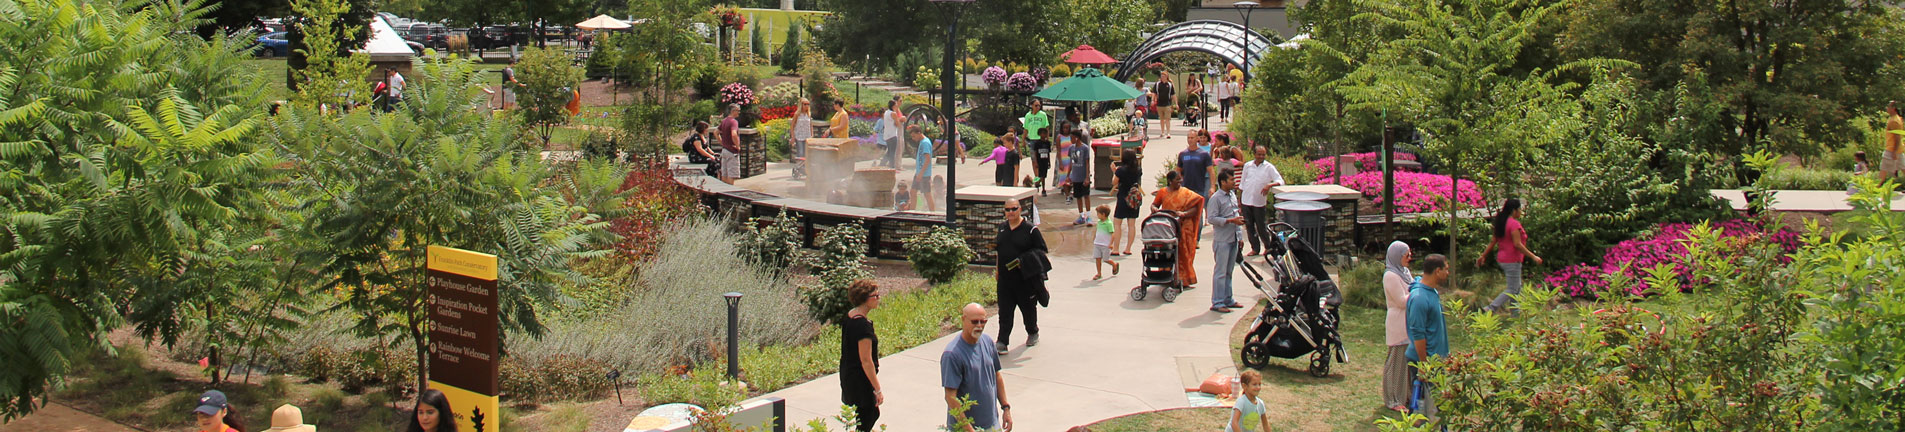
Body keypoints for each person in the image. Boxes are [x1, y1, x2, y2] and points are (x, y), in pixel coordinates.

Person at [942, 303, 1013, 432]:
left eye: (983, 321)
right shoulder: (952, 354)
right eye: (975, 322)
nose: (979, 326)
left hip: (992, 425)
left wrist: (1006, 408)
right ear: (963, 319)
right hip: (966, 429)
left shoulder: (988, 342)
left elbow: (997, 376)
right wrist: (969, 429)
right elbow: (950, 397)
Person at [995, 197, 1048, 353]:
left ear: (1020, 209)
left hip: (1025, 279)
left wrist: (1023, 261)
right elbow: (999, 251)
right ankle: (1002, 341)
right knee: (1004, 312)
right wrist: (998, 270)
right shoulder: (1002, 228)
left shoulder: (1031, 230)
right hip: (1005, 280)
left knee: (1028, 309)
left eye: (1014, 209)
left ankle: (1033, 331)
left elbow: (1041, 251)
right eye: (1007, 209)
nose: (1010, 212)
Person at [1406, 254, 1452, 422]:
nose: (1448, 272)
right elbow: (1418, 335)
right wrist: (1424, 365)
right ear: (1437, 271)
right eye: (1446, 269)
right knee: (1426, 413)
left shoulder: (1430, 290)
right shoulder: (1419, 298)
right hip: (1426, 361)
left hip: (1436, 359)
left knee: (1436, 408)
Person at [1479, 198, 1541, 313]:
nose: (1520, 212)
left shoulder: (1501, 223)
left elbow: (1493, 241)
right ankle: (1490, 308)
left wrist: (1483, 255)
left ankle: (1515, 314)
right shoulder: (1513, 224)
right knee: (1513, 289)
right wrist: (1533, 256)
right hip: (1512, 260)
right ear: (1514, 210)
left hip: (1503, 259)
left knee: (1516, 288)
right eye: (1519, 209)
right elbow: (1517, 244)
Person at [840, 279, 884, 431]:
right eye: (875, 296)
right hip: (860, 379)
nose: (878, 298)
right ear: (864, 299)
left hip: (849, 375)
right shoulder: (862, 326)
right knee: (869, 414)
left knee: (864, 416)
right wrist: (877, 389)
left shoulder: (851, 316)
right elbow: (866, 361)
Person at [1152, 171, 1205, 286]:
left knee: (1183, 253)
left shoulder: (1186, 193)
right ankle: (1166, 275)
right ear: (1170, 181)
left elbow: (1196, 208)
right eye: (1177, 179)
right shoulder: (1162, 192)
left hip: (1184, 227)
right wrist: (1154, 209)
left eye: (1180, 179)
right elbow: (1154, 204)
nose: (1180, 181)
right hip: (1168, 228)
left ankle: (1184, 279)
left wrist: (1183, 214)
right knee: (1167, 252)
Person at [1206, 170, 1245, 313]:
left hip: (1233, 238)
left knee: (1229, 271)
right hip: (1222, 240)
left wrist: (1239, 237)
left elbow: (1236, 214)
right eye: (1231, 180)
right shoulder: (1216, 198)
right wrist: (1229, 221)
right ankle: (1217, 302)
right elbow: (1212, 218)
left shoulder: (1232, 195)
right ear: (1223, 182)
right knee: (1220, 272)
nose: (1234, 182)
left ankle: (1228, 299)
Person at [1382, 241, 1414, 412]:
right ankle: (1393, 399)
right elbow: (1401, 301)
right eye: (1406, 255)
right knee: (1396, 362)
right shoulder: (1390, 276)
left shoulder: (1405, 273)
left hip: (1408, 323)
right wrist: (1417, 292)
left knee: (1407, 363)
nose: (1409, 258)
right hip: (1397, 323)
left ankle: (1405, 395)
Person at [1240, 145, 1284, 256]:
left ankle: (1268, 247)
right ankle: (1255, 248)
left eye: (1263, 154)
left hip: (1259, 202)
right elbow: (1242, 184)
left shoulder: (1269, 167)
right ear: (1254, 154)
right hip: (1246, 200)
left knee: (1261, 226)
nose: (1261, 156)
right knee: (1249, 226)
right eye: (1259, 154)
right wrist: (1240, 201)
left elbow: (1280, 180)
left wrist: (1269, 185)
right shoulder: (1247, 166)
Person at [1112, 151, 1143, 255]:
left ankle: (1116, 249)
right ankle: (1128, 248)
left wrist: (1114, 171)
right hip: (1134, 198)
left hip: (1123, 197)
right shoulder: (1138, 169)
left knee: (1117, 224)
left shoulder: (1121, 170)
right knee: (1131, 225)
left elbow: (1114, 182)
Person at [1023, 100, 1054, 195]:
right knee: (1034, 162)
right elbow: (1025, 128)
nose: (1038, 107)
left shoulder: (1043, 115)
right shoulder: (1028, 116)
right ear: (1031, 106)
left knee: (1042, 161)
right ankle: (1037, 179)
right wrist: (1023, 139)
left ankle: (1041, 178)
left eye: (1039, 105)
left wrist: (1047, 139)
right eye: (1036, 105)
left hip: (1041, 140)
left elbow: (1047, 127)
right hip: (1032, 140)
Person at [911, 125, 937, 211]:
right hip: (919, 173)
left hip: (923, 174)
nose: (913, 138)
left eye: (914, 136)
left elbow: (928, 159)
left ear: (919, 133)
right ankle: (911, 211)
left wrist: (921, 173)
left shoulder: (925, 143)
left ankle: (933, 212)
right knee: (913, 192)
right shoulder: (922, 142)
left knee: (927, 194)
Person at [1069, 130, 1093, 224]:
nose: (1070, 140)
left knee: (1086, 196)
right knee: (1078, 197)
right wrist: (1068, 175)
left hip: (1083, 177)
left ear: (1076, 138)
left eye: (1071, 138)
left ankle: (1089, 216)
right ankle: (1081, 215)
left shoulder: (1085, 148)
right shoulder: (1072, 148)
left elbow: (1087, 163)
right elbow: (1072, 162)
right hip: (1076, 177)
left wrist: (1087, 177)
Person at [1092, 205, 1121, 280]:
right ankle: (1099, 273)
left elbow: (1113, 234)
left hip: (1105, 244)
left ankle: (1114, 265)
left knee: (1106, 259)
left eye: (1098, 214)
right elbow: (1097, 231)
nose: (1097, 215)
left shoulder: (1109, 223)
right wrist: (1094, 238)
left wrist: (1111, 243)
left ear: (1103, 214)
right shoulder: (1099, 222)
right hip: (1097, 243)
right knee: (1097, 258)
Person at [718, 104, 742, 184]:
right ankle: (730, 193)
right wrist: (738, 146)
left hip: (724, 151)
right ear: (733, 111)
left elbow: (716, 132)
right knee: (731, 175)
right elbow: (734, 134)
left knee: (724, 174)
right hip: (732, 151)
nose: (739, 112)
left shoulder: (724, 120)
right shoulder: (733, 122)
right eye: (738, 110)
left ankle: (724, 193)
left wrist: (722, 142)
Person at [792, 98, 814, 180]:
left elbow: (811, 125)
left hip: (807, 137)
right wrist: (793, 137)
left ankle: (803, 169)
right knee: (800, 153)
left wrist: (812, 135)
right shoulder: (797, 114)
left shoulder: (808, 114)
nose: (806, 106)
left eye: (808, 104)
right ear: (801, 105)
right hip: (799, 136)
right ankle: (797, 168)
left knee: (806, 154)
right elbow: (792, 125)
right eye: (805, 104)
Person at [879, 99, 903, 167]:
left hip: (887, 135)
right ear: (893, 106)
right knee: (892, 152)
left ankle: (882, 164)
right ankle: (892, 166)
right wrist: (900, 120)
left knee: (889, 151)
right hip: (892, 135)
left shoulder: (886, 112)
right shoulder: (893, 113)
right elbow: (898, 124)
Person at [1154, 71, 1176, 138]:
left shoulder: (1169, 84)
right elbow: (1154, 93)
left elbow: (1173, 94)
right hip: (1159, 103)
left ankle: (1168, 132)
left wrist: (1176, 103)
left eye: (1164, 76)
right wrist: (1153, 100)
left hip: (1167, 104)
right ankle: (1162, 132)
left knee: (1167, 119)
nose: (1162, 77)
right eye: (1161, 76)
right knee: (1161, 119)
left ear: (1166, 77)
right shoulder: (1157, 84)